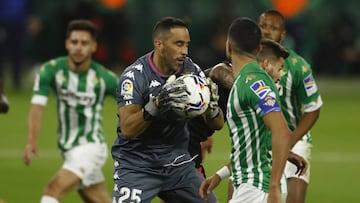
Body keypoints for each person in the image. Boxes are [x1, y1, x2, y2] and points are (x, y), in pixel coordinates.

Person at [111, 16, 224, 203]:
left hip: (178, 165)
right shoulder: (134, 77)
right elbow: (128, 130)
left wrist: (210, 107)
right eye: (178, 44)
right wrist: (156, 105)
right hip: (137, 166)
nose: (184, 52)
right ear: (159, 44)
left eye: (187, 45)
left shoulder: (190, 71)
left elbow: (218, 124)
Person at [199, 17, 294, 203]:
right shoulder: (243, 80)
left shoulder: (254, 82)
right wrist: (219, 176)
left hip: (259, 189)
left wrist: (273, 187)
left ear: (228, 46)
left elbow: (281, 131)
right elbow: (253, 145)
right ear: (258, 49)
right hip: (251, 186)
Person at [23, 19, 117, 203]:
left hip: (91, 147)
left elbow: (131, 100)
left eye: (84, 43)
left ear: (93, 47)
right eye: (74, 42)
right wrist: (31, 141)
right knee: (98, 199)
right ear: (67, 44)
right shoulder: (51, 71)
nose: (78, 47)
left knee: (53, 189)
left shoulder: (105, 78)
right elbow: (37, 107)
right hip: (68, 148)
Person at [258, 9, 323, 203]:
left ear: (283, 34)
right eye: (263, 26)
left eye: (274, 28)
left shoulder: (298, 66)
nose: (267, 31)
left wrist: (289, 143)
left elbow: (313, 109)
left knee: (294, 198)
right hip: (258, 139)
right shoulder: (247, 62)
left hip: (293, 137)